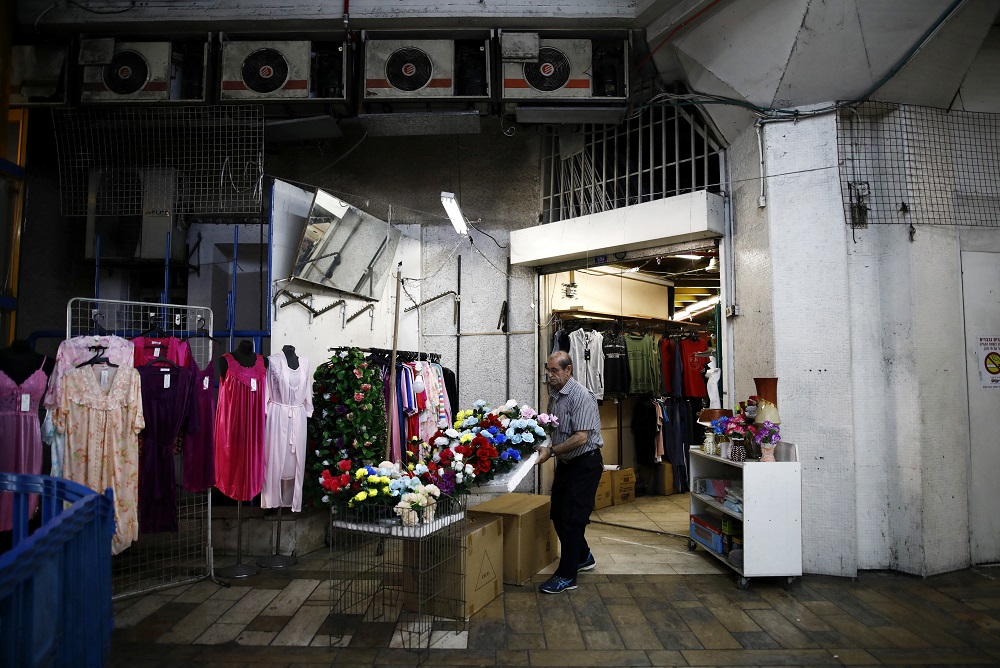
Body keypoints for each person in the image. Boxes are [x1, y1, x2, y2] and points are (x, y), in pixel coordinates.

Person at [534, 351, 604, 594]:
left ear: (568, 370)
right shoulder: (555, 395)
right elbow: (553, 428)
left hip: (585, 464)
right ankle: (583, 556)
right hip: (567, 464)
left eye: (555, 370)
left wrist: (551, 451)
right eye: (548, 370)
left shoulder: (581, 396)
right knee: (557, 513)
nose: (550, 375)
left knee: (572, 519)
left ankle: (567, 575)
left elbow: (581, 437)